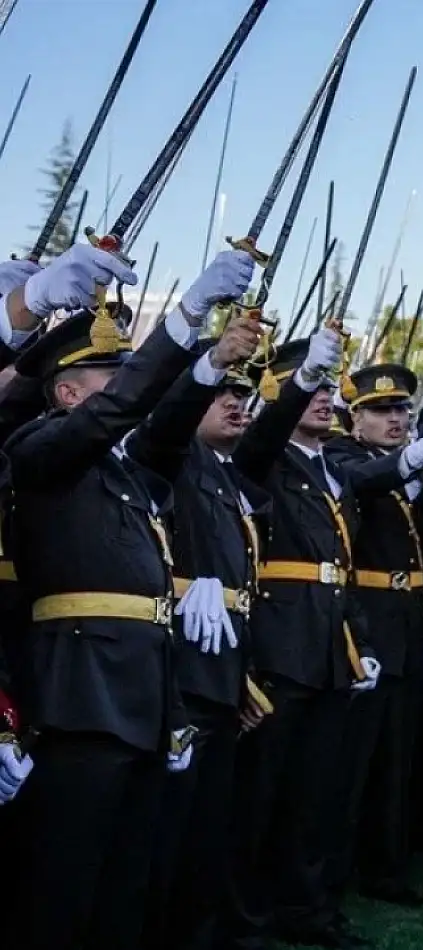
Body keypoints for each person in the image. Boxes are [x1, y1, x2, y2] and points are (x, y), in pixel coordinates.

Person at [6, 246, 255, 949]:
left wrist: (205, 365)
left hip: (143, 697)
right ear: (67, 393)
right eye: (107, 377)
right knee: (64, 886)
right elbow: (123, 411)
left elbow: (167, 424)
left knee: (126, 885)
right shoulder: (42, 450)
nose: (124, 390)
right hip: (81, 696)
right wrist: (184, 318)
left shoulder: (124, 472)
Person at [228, 323, 382, 949]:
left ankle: (307, 909)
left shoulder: (330, 468)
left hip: (328, 648)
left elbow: (343, 567)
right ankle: (247, 920)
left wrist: (360, 642)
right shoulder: (262, 454)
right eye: (305, 387)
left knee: (315, 794)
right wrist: (299, 384)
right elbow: (262, 435)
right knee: (260, 796)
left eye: (324, 387)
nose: (321, 397)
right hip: (280, 646)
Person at [130, 331, 270, 950]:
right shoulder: (170, 455)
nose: (236, 402)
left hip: (222, 663)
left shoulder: (222, 471)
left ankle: (200, 931)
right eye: (224, 393)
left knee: (209, 821)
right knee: (169, 825)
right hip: (179, 664)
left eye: (245, 393)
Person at [324, 362, 423, 912]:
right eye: (382, 411)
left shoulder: (403, 467)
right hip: (365, 622)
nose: (396, 418)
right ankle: (333, 876)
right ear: (355, 419)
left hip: (406, 621)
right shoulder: (343, 457)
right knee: (352, 764)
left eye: (402, 409)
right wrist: (418, 454)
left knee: (397, 761)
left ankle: (387, 868)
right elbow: (368, 481)